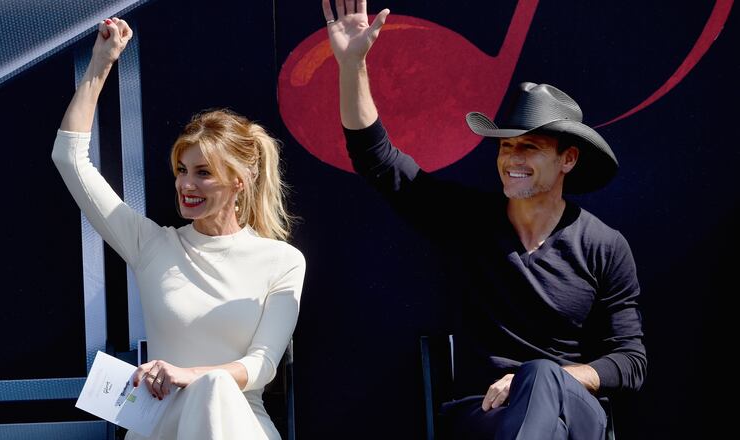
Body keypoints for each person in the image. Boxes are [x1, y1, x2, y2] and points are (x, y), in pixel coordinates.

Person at [321, 1, 646, 439]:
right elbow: (378, 161)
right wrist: (352, 65)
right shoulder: (468, 220)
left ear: (567, 158)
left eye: (528, 147)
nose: (512, 158)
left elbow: (629, 361)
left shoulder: (604, 246)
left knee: (543, 377)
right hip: (486, 412)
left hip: (576, 410)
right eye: (505, 147)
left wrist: (548, 378)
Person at [53, 17, 305, 440]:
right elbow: (70, 161)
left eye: (203, 173)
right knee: (211, 387)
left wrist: (189, 374)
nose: (186, 185)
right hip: (163, 424)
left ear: (238, 181)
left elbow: (262, 365)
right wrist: (100, 64)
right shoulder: (152, 245)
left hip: (241, 423)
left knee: (216, 387)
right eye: (182, 170)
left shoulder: (281, 261)